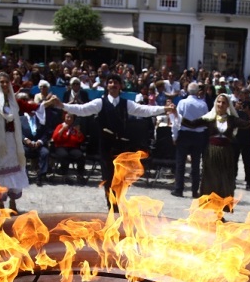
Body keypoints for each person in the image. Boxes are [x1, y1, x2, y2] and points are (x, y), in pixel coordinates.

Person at [57, 74, 174, 207]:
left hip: (121, 145)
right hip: (106, 145)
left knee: (121, 177)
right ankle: (112, 205)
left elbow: (144, 110)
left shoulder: (126, 104)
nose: (113, 85)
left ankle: (118, 201)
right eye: (110, 82)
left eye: (116, 82)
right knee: (108, 177)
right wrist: (62, 105)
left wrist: (164, 109)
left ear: (120, 86)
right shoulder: (100, 103)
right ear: (107, 86)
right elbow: (82, 110)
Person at [0, 72, 39, 212]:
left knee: (15, 169)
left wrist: (47, 104)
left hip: (13, 141)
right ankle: (0, 201)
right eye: (2, 82)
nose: (5, 84)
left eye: (7, 82)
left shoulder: (14, 101)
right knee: (0, 171)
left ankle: (12, 200)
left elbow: (30, 107)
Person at [181, 93, 250, 206]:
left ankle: (220, 212)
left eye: (223, 102)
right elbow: (192, 124)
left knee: (224, 181)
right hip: (211, 152)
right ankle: (208, 208)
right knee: (210, 180)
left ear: (228, 105)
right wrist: (175, 115)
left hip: (226, 153)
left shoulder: (232, 120)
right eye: (219, 102)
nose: (221, 104)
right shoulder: (210, 118)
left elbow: (247, 125)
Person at [172, 82, 208, 198]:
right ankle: (194, 190)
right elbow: (205, 121)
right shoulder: (203, 104)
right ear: (198, 91)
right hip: (197, 135)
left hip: (184, 134)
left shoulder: (183, 103)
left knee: (180, 163)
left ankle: (179, 189)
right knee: (196, 164)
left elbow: (176, 121)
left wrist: (175, 136)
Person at [50, 112, 86, 183]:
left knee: (80, 156)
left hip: (72, 147)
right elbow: (54, 138)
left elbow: (80, 139)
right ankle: (64, 174)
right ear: (64, 118)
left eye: (71, 118)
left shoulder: (74, 128)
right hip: (61, 147)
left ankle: (80, 175)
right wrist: (62, 129)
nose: (69, 119)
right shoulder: (60, 126)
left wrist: (78, 132)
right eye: (68, 117)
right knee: (64, 155)